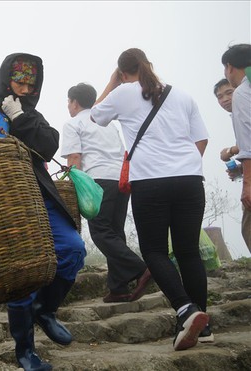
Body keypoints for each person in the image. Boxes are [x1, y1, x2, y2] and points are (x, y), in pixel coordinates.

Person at [0, 53, 86, 371]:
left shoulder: (32, 116)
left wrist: (20, 117)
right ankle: (26, 351)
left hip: (38, 197)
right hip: (0, 207)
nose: (23, 88)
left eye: (29, 84)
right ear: (4, 80)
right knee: (21, 278)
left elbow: (49, 145)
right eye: (18, 81)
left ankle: (45, 310)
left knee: (73, 249)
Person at [91, 48, 209, 351]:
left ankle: (185, 309)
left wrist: (113, 82)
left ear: (122, 72)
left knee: (155, 252)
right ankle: (204, 327)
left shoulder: (124, 92)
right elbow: (202, 138)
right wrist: (184, 168)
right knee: (188, 252)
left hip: (150, 182)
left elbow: (95, 115)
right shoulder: (182, 95)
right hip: (190, 179)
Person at [60, 83, 151, 303]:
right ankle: (118, 287)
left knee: (100, 231)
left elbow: (74, 159)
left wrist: (73, 185)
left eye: (68, 102)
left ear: (74, 102)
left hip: (97, 180)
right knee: (115, 232)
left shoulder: (73, 123)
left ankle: (141, 268)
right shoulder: (108, 124)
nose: (68, 107)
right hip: (120, 179)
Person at [218, 44, 251, 253]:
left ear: (229, 67)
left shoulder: (244, 92)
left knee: (248, 229)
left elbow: (248, 144)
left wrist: (247, 184)